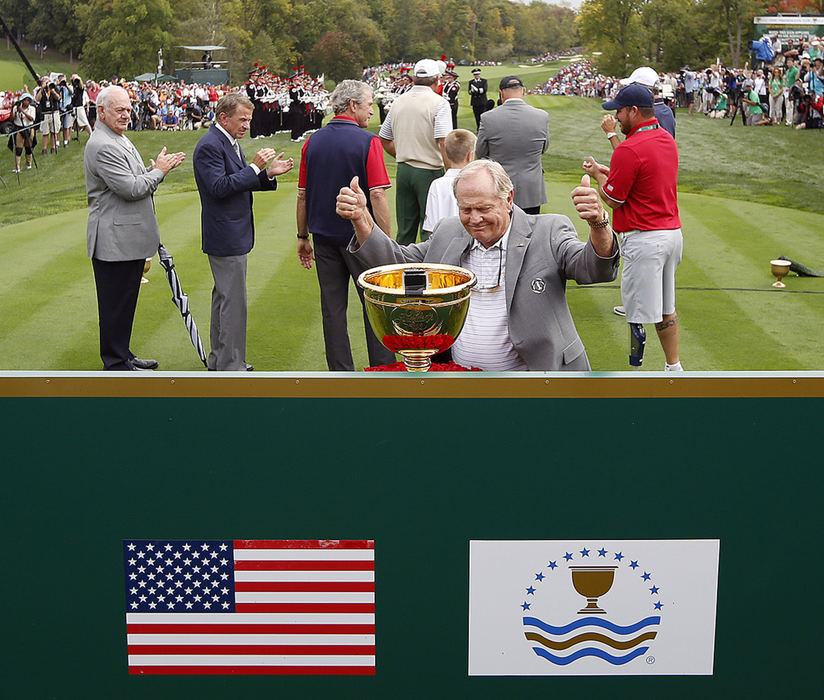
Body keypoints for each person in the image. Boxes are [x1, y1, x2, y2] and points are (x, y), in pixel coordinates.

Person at [336, 159, 619, 371]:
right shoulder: (448, 232)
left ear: (508, 199)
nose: (474, 219)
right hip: (463, 383)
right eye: (465, 209)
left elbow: (595, 269)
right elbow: (395, 263)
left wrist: (599, 224)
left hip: (540, 381)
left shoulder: (549, 230)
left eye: (484, 208)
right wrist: (362, 219)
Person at [295, 80, 395, 371]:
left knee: (333, 310)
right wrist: (385, 242)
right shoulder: (368, 141)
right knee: (376, 305)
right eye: (368, 105)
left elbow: (303, 194)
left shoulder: (313, 141)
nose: (371, 112)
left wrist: (302, 236)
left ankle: (340, 375)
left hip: (324, 238)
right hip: (363, 240)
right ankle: (383, 370)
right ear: (353, 106)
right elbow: (377, 194)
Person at [84, 85, 186, 370]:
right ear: (101, 111)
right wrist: (159, 171)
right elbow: (130, 188)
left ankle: (123, 354)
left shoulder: (118, 138)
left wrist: (153, 171)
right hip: (113, 240)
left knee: (124, 303)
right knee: (115, 305)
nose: (126, 114)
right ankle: (115, 362)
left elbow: (136, 178)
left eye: (128, 109)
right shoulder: (103, 144)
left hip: (125, 238)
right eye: (119, 110)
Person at [584, 84, 684, 371]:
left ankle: (635, 372)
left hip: (645, 238)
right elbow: (640, 179)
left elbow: (613, 199)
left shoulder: (629, 148)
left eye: (619, 111)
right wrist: (608, 172)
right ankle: (673, 366)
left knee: (637, 315)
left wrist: (597, 177)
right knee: (667, 308)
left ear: (634, 111)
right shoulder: (665, 138)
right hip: (672, 235)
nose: (616, 117)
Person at [193, 93, 294, 371]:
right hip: (225, 235)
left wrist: (268, 174)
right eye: (242, 119)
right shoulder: (210, 145)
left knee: (224, 299)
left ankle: (220, 359)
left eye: (249, 119)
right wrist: (255, 167)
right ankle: (230, 364)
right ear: (223, 117)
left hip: (233, 232)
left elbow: (238, 182)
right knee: (232, 301)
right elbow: (219, 187)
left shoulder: (228, 142)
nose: (247, 125)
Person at [378, 58, 452, 245]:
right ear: (437, 80)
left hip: (403, 171)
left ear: (413, 79)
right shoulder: (439, 103)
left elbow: (385, 138)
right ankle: (427, 271)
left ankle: (402, 271)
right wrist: (451, 173)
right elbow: (443, 141)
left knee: (405, 231)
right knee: (430, 229)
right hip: (430, 171)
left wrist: (402, 153)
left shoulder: (398, 102)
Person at [475, 75, 549, 215]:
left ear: (501, 93)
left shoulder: (488, 118)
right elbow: (543, 148)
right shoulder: (541, 116)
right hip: (531, 189)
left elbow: (481, 153)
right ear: (523, 91)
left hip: (500, 187)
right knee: (530, 232)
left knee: (501, 233)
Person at [422, 128, 476, 236]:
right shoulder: (476, 182)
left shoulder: (437, 185)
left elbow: (431, 228)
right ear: (470, 155)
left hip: (443, 245)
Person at [10, 94, 36, 172]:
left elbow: (31, 119)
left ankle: (29, 164)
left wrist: (23, 111)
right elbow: (12, 119)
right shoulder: (16, 108)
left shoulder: (32, 108)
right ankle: (17, 167)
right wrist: (15, 112)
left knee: (28, 148)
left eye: (28, 100)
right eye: (25, 100)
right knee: (18, 149)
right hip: (19, 129)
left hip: (29, 128)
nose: (26, 102)